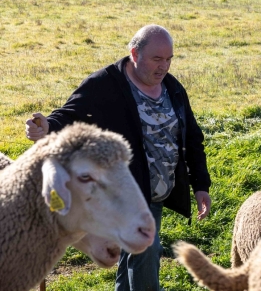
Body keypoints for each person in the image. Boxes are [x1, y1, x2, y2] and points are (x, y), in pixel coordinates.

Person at [25, 24, 211, 291]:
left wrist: (200, 184)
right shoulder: (105, 85)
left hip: (158, 192)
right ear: (135, 54)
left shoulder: (172, 88)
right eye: (157, 59)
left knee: (134, 258)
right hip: (125, 192)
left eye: (169, 59)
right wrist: (45, 127)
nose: (164, 66)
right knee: (146, 246)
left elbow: (191, 137)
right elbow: (69, 114)